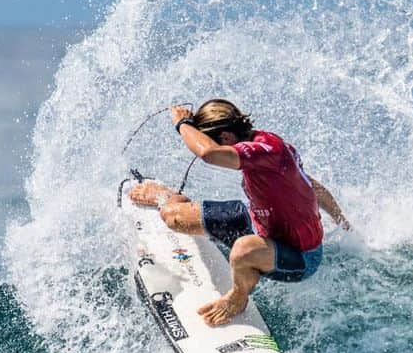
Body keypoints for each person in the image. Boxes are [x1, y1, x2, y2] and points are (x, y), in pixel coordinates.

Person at [129, 98, 349, 326]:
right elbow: (310, 184)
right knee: (172, 216)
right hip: (258, 226)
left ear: (226, 137)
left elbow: (209, 153)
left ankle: (238, 297)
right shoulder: (264, 147)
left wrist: (183, 123)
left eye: (220, 144)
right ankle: (164, 195)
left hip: (300, 256)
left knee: (243, 250)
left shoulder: (269, 150)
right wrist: (342, 219)